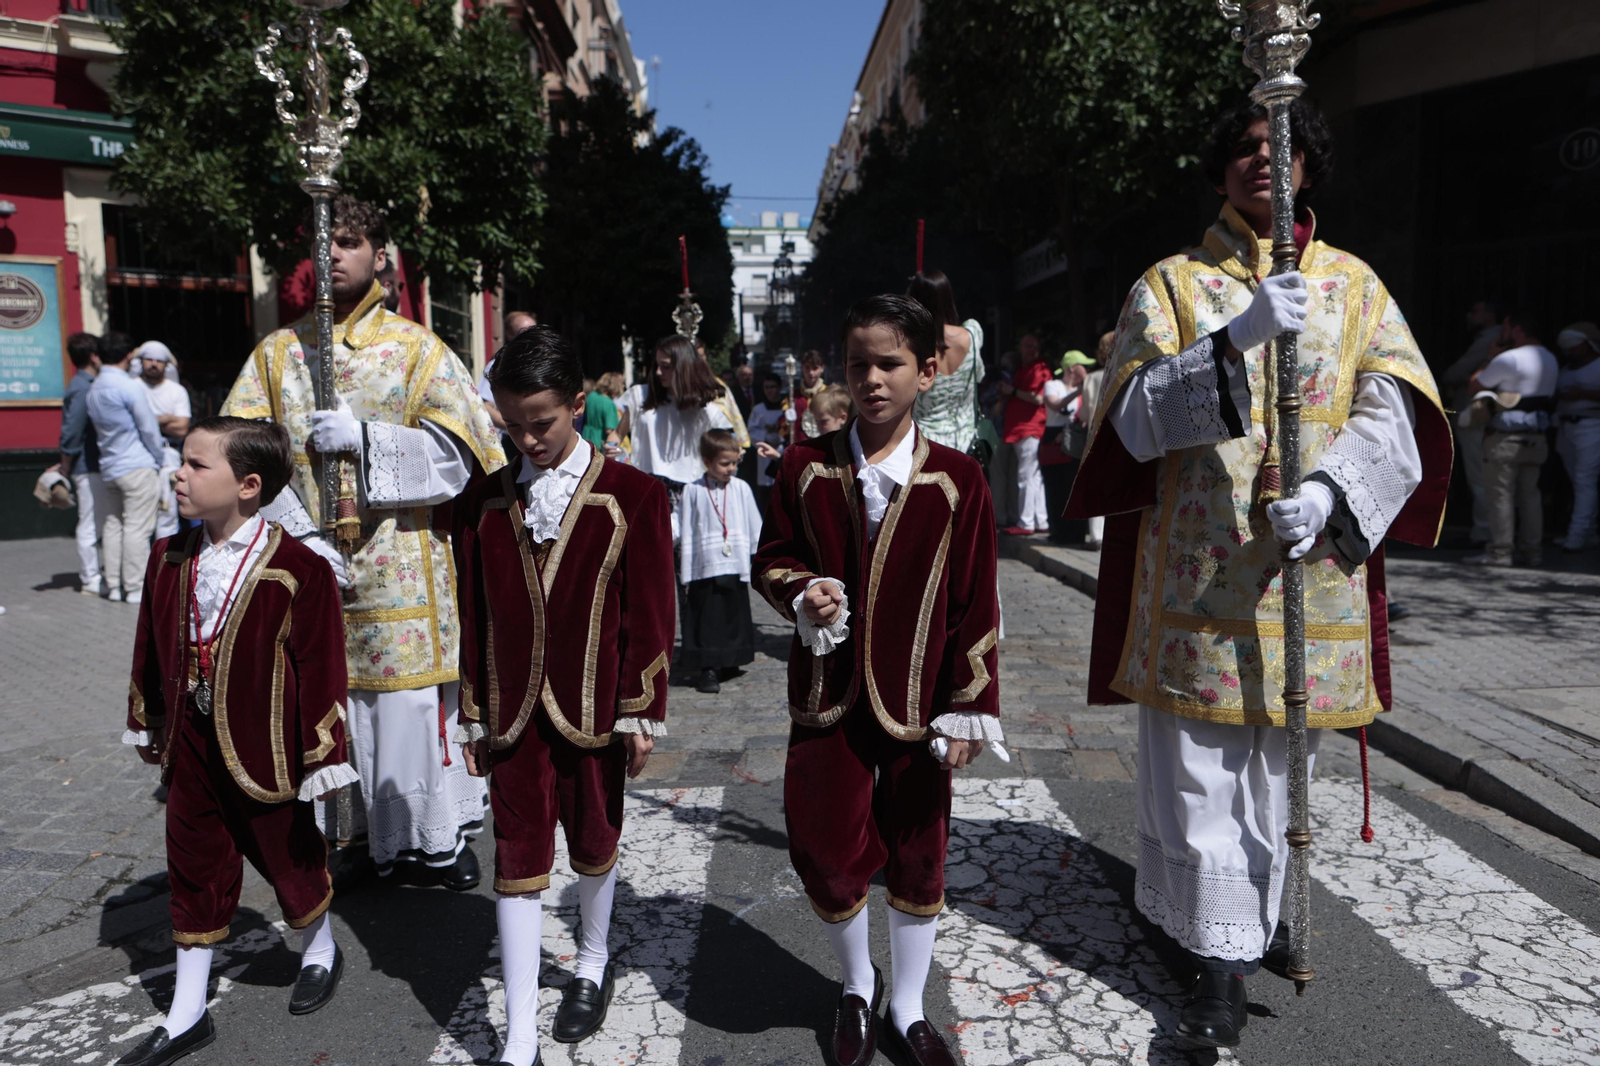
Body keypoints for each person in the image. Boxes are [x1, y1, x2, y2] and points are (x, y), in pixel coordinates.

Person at [1065, 97, 1450, 1051]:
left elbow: (1393, 413)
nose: (1259, 164)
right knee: (1199, 776)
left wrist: (1328, 495)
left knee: (1280, 773)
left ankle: (1253, 917)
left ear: (1308, 166)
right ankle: (1215, 966)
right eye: (1242, 149)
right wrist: (1232, 341)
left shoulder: (1357, 288)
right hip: (1197, 578)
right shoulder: (1173, 284)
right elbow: (1133, 424)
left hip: (1308, 575)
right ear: (1223, 168)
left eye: (1277, 149)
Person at [221, 195, 505, 889]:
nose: (332, 256)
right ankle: (344, 839)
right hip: (310, 563)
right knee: (325, 699)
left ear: (380, 255)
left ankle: (426, 843)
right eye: (321, 244)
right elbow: (239, 458)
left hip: (400, 562)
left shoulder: (417, 349)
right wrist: (297, 537)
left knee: (403, 705)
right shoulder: (276, 355)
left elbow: (465, 451)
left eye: (347, 242)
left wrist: (370, 441)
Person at [753, 294, 1001, 1066]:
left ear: (927, 372)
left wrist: (969, 707)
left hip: (921, 706)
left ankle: (907, 1005)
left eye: (890, 363)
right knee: (825, 847)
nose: (871, 379)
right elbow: (772, 558)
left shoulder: (959, 479)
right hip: (826, 699)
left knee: (919, 850)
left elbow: (976, 600)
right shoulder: (805, 466)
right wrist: (800, 592)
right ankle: (857, 983)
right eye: (858, 364)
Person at [453, 326, 673, 1066]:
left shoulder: (633, 495)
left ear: (578, 405)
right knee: (514, 859)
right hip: (511, 711)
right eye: (511, 426)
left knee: (594, 842)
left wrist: (642, 708)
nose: (527, 439)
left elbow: (649, 611)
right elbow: (471, 609)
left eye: (540, 422)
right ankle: (519, 1036)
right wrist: (473, 712)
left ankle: (592, 961)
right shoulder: (481, 504)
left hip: (596, 708)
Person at [114, 418, 355, 1066]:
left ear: (249, 486)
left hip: (267, 749)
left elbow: (322, 666)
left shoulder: (299, 567)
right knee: (191, 862)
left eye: (196, 465)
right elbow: (150, 642)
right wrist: (150, 716)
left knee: (291, 858)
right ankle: (187, 1011)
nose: (179, 475)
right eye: (182, 462)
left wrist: (324, 755)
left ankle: (320, 949)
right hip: (192, 746)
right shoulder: (169, 558)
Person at [1465, 311, 1559, 567]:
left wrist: (1490, 358)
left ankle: (1500, 552)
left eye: (1505, 329)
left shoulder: (1508, 358)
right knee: (1531, 495)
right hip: (1536, 435)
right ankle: (1532, 552)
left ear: (1517, 330)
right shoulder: (1550, 358)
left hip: (1505, 437)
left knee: (1501, 495)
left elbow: (1474, 385)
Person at [678, 428, 763, 694]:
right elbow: (684, 525)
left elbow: (755, 525)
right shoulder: (692, 490)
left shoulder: (741, 488)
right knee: (707, 617)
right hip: (704, 565)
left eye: (734, 463)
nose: (730, 469)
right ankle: (708, 668)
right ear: (706, 461)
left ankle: (730, 660)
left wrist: (758, 553)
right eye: (724, 464)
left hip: (733, 562)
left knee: (732, 614)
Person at [87, 331, 165, 604]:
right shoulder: (129, 386)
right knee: (137, 528)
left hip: (109, 465)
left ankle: (113, 584)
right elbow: (149, 429)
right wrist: (161, 457)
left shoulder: (93, 388)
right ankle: (134, 588)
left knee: (112, 525)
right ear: (128, 355)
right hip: (136, 465)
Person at [623, 335, 734, 508]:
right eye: (657, 365)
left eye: (666, 367)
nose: (659, 372)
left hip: (691, 488)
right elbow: (616, 435)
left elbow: (727, 447)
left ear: (683, 368)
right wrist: (616, 453)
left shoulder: (707, 411)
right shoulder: (640, 397)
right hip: (648, 485)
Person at [1441, 300, 1505, 545]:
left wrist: (1450, 377)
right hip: (1486, 418)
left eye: (1476, 311)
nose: (1469, 316)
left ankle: (1484, 531)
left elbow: (1461, 372)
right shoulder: (1491, 338)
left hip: (1478, 416)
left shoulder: (1491, 339)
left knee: (1481, 476)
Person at [907, 269, 985, 454]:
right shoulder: (972, 334)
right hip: (966, 442)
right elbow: (979, 377)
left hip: (924, 444)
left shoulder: (913, 342)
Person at [59, 332, 107, 596]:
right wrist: (65, 464)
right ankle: (90, 578)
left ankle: (96, 575)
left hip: (90, 465)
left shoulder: (83, 383)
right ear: (92, 356)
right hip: (86, 466)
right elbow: (71, 430)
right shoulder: (83, 387)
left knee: (96, 521)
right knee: (90, 522)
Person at [135, 342, 193, 540]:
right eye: (149, 359)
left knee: (167, 514)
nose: (153, 364)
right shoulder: (133, 388)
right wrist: (166, 417)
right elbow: (130, 424)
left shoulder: (177, 391)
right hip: (139, 456)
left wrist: (147, 420)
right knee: (140, 515)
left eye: (159, 360)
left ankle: (164, 563)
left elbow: (182, 428)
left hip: (170, 455)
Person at [998, 333, 1051, 535]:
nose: (1031, 350)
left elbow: (1038, 398)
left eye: (1034, 346)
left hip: (1030, 428)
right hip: (1022, 429)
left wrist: (1011, 392)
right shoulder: (1025, 369)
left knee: (1026, 476)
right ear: (1020, 347)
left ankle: (1026, 522)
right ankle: (1040, 520)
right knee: (1033, 477)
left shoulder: (1040, 369)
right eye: (1027, 345)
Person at [1555, 322, 1600, 552]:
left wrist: (1583, 394)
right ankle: (1589, 532)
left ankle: (1576, 535)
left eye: (1574, 347)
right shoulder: (1567, 369)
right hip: (1567, 427)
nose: (1570, 352)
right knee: (1577, 481)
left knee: (1584, 481)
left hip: (1591, 427)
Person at [1041, 350, 1094, 543]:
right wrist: (1077, 393)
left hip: (1073, 439)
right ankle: (1059, 531)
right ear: (1072, 368)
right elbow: (1055, 405)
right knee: (1055, 488)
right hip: (1053, 438)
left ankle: (1076, 532)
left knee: (1072, 487)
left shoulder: (1086, 388)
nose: (1088, 370)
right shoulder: (1052, 385)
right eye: (1084, 366)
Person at [1078, 333, 1113, 549]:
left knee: (1097, 485)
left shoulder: (1092, 378)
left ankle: (1096, 535)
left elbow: (1084, 415)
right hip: (1119, 435)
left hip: (1095, 437)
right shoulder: (1125, 373)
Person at [480, 311, 538, 431]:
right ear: (510, 336)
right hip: (511, 441)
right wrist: (518, 428)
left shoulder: (544, 362)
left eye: (535, 331)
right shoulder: (499, 366)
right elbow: (485, 406)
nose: (532, 336)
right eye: (525, 332)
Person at [746, 373, 790, 510]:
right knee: (766, 493)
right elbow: (751, 431)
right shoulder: (758, 409)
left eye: (773, 387)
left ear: (779, 387)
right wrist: (765, 436)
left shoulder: (787, 408)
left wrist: (780, 438)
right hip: (764, 453)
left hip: (782, 449)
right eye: (766, 387)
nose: (770, 390)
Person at [583, 371, 624, 453]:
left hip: (585, 436)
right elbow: (609, 430)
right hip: (599, 442)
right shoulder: (608, 403)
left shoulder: (591, 396)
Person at [796, 350, 828, 438]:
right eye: (807, 368)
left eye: (815, 368)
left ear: (822, 368)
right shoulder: (794, 397)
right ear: (802, 368)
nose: (811, 373)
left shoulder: (829, 394)